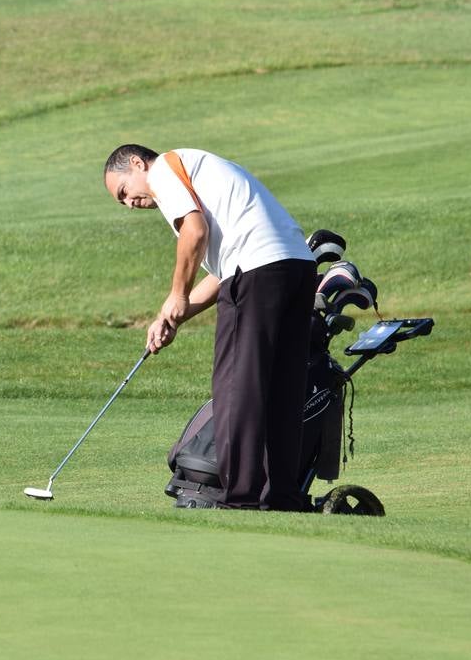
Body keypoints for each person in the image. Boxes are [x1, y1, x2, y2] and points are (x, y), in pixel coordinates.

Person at [102, 144, 314, 511]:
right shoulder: (202, 172)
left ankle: (241, 499)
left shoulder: (165, 168)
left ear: (137, 164)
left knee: (237, 390)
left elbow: (195, 234)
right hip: (296, 268)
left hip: (258, 272)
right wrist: (172, 316)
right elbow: (220, 275)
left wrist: (176, 292)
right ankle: (283, 497)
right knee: (282, 389)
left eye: (124, 191)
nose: (129, 204)